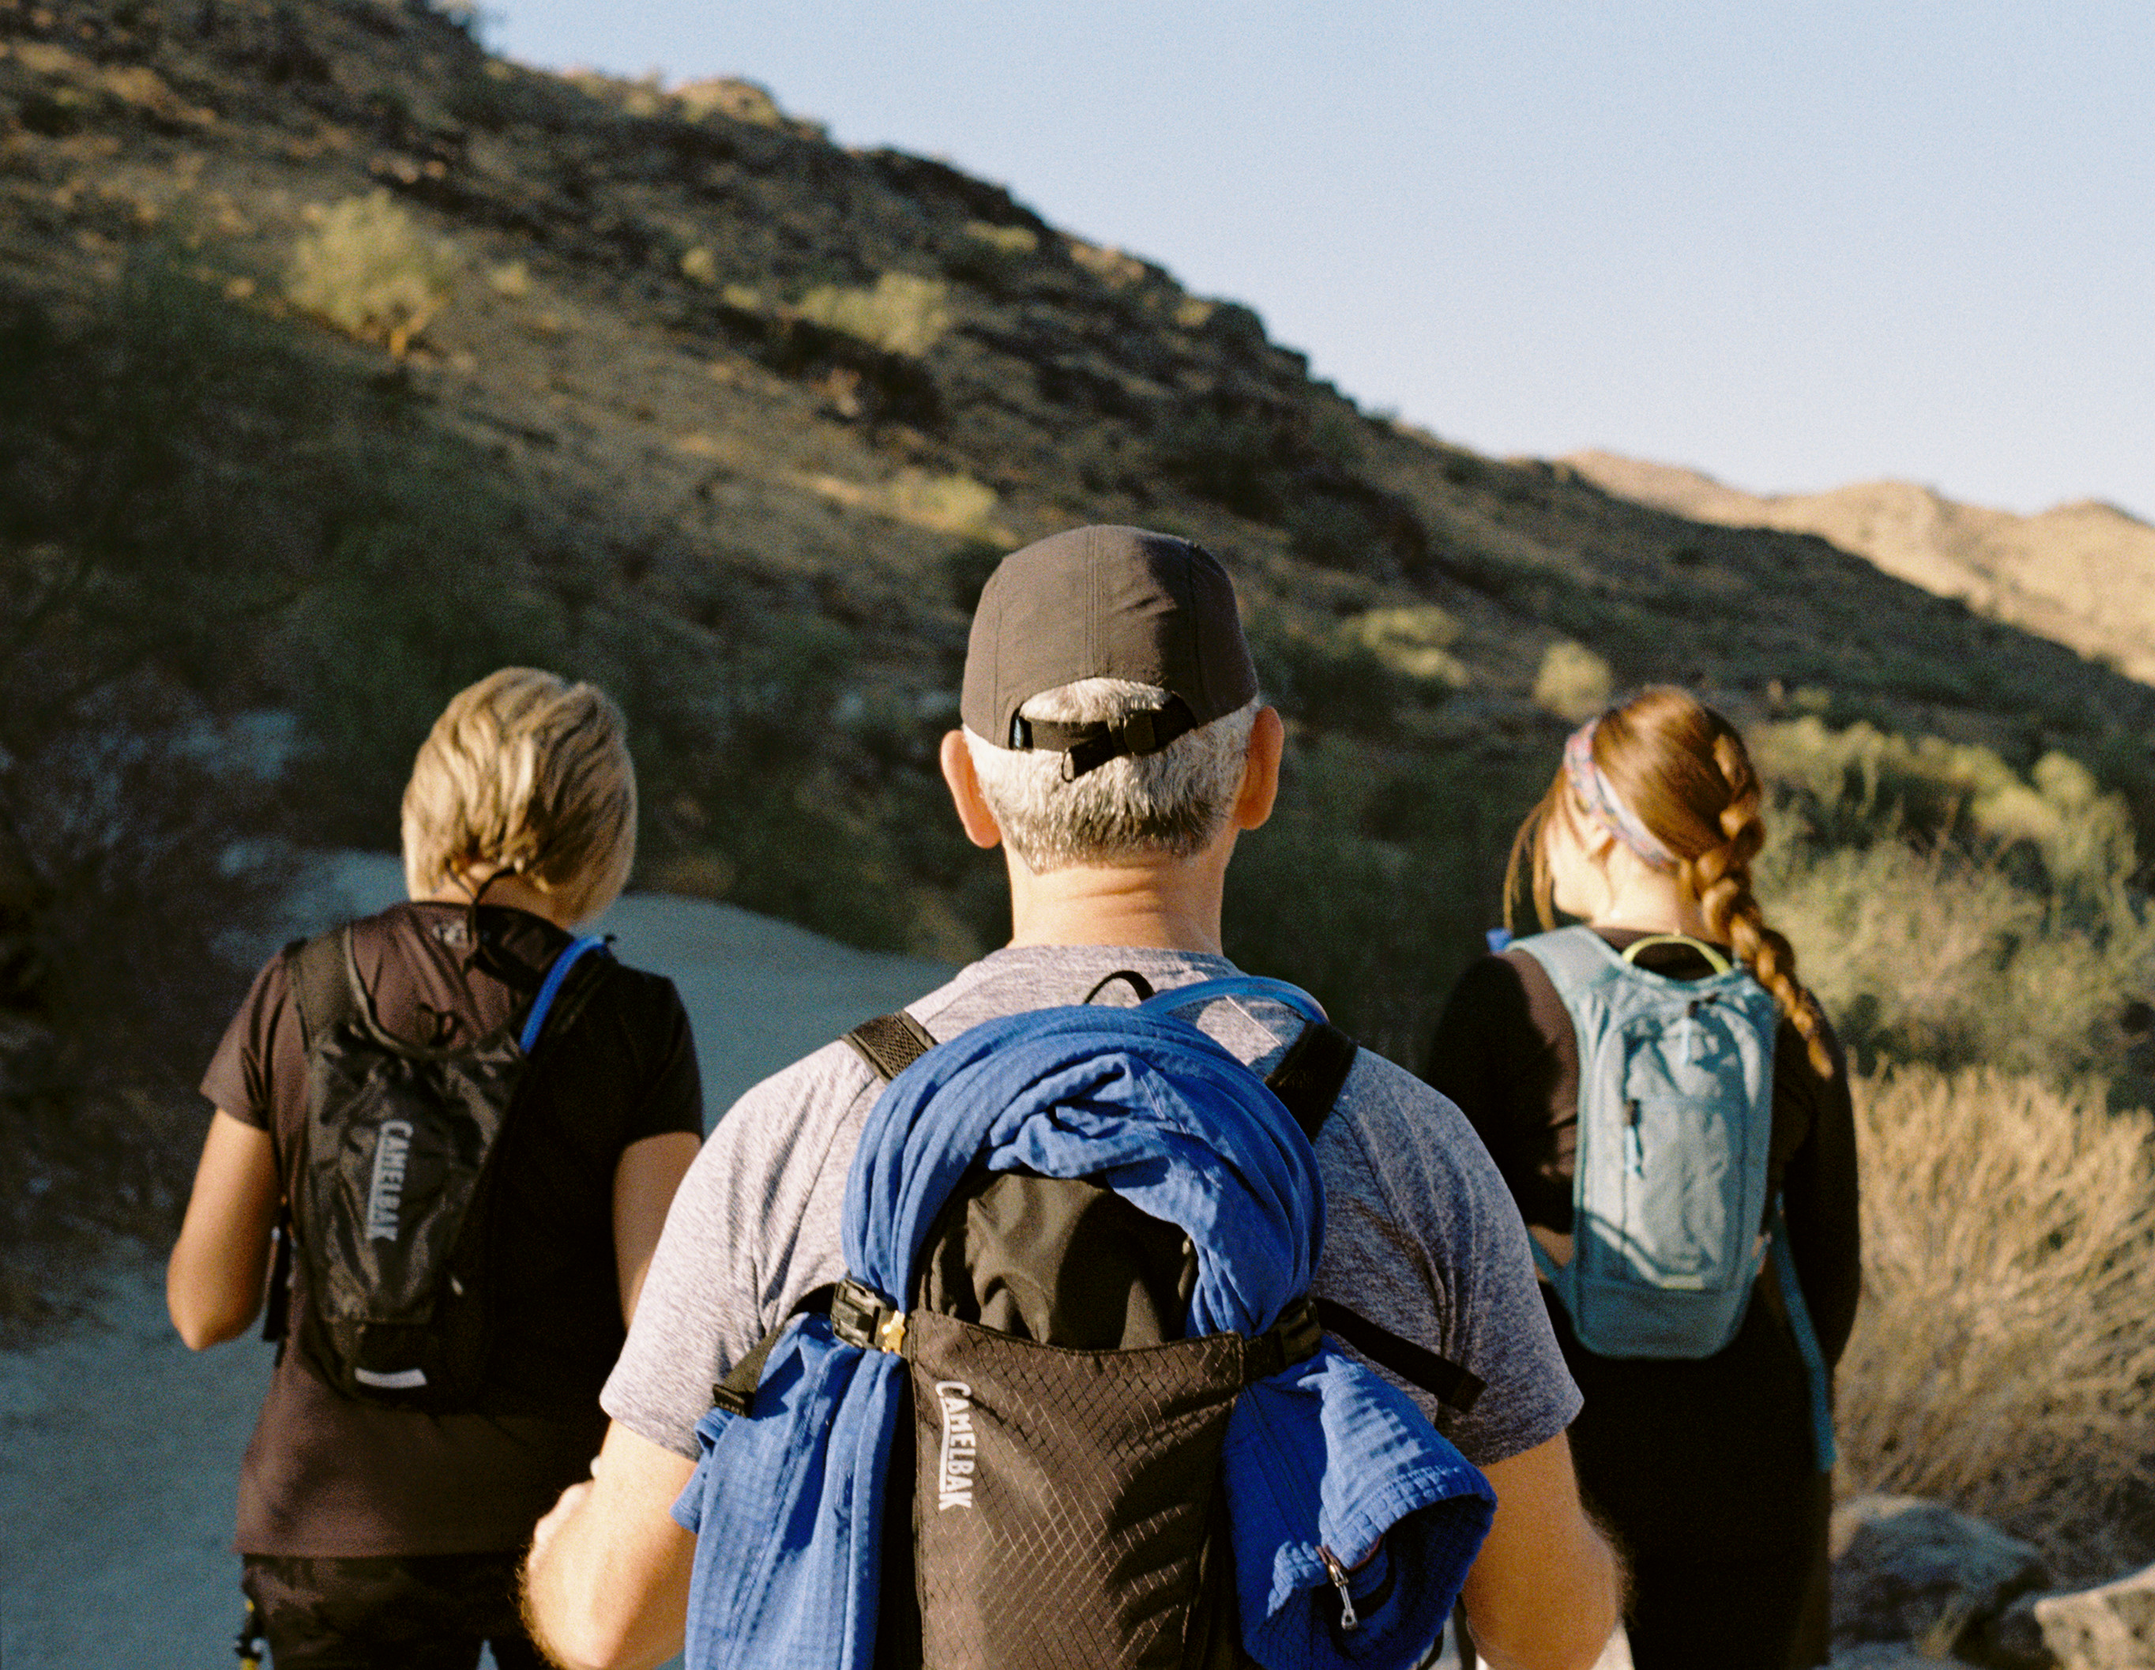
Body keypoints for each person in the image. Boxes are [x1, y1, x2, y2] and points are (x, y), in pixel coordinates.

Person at [522, 525, 1622, 1670]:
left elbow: (613, 1621)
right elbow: (1547, 1629)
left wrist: (556, 1554)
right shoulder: (1407, 1145)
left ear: (968, 789)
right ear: (1259, 770)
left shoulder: (792, 1132)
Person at [167, 667, 704, 1670]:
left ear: (430, 801)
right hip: (554, 1530)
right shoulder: (634, 1017)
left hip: (327, 1530)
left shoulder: (300, 985)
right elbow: (666, 1321)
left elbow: (203, 1307)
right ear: (602, 835)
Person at [1423, 686, 1861, 1670]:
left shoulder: (1511, 991)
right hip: (1754, 1455)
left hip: (1555, 1455)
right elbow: (1829, 1275)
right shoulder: (1786, 1005)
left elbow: (1432, 1252)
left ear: (1592, 822)